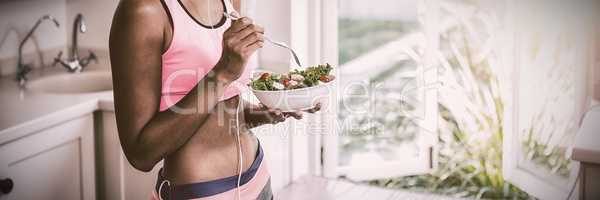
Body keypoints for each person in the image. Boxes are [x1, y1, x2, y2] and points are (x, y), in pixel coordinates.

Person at [109, 0, 318, 199]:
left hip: (258, 178)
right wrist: (222, 73)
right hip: (202, 192)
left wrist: (267, 112)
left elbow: (222, 109)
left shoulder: (226, 3)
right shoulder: (143, 10)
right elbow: (140, 153)